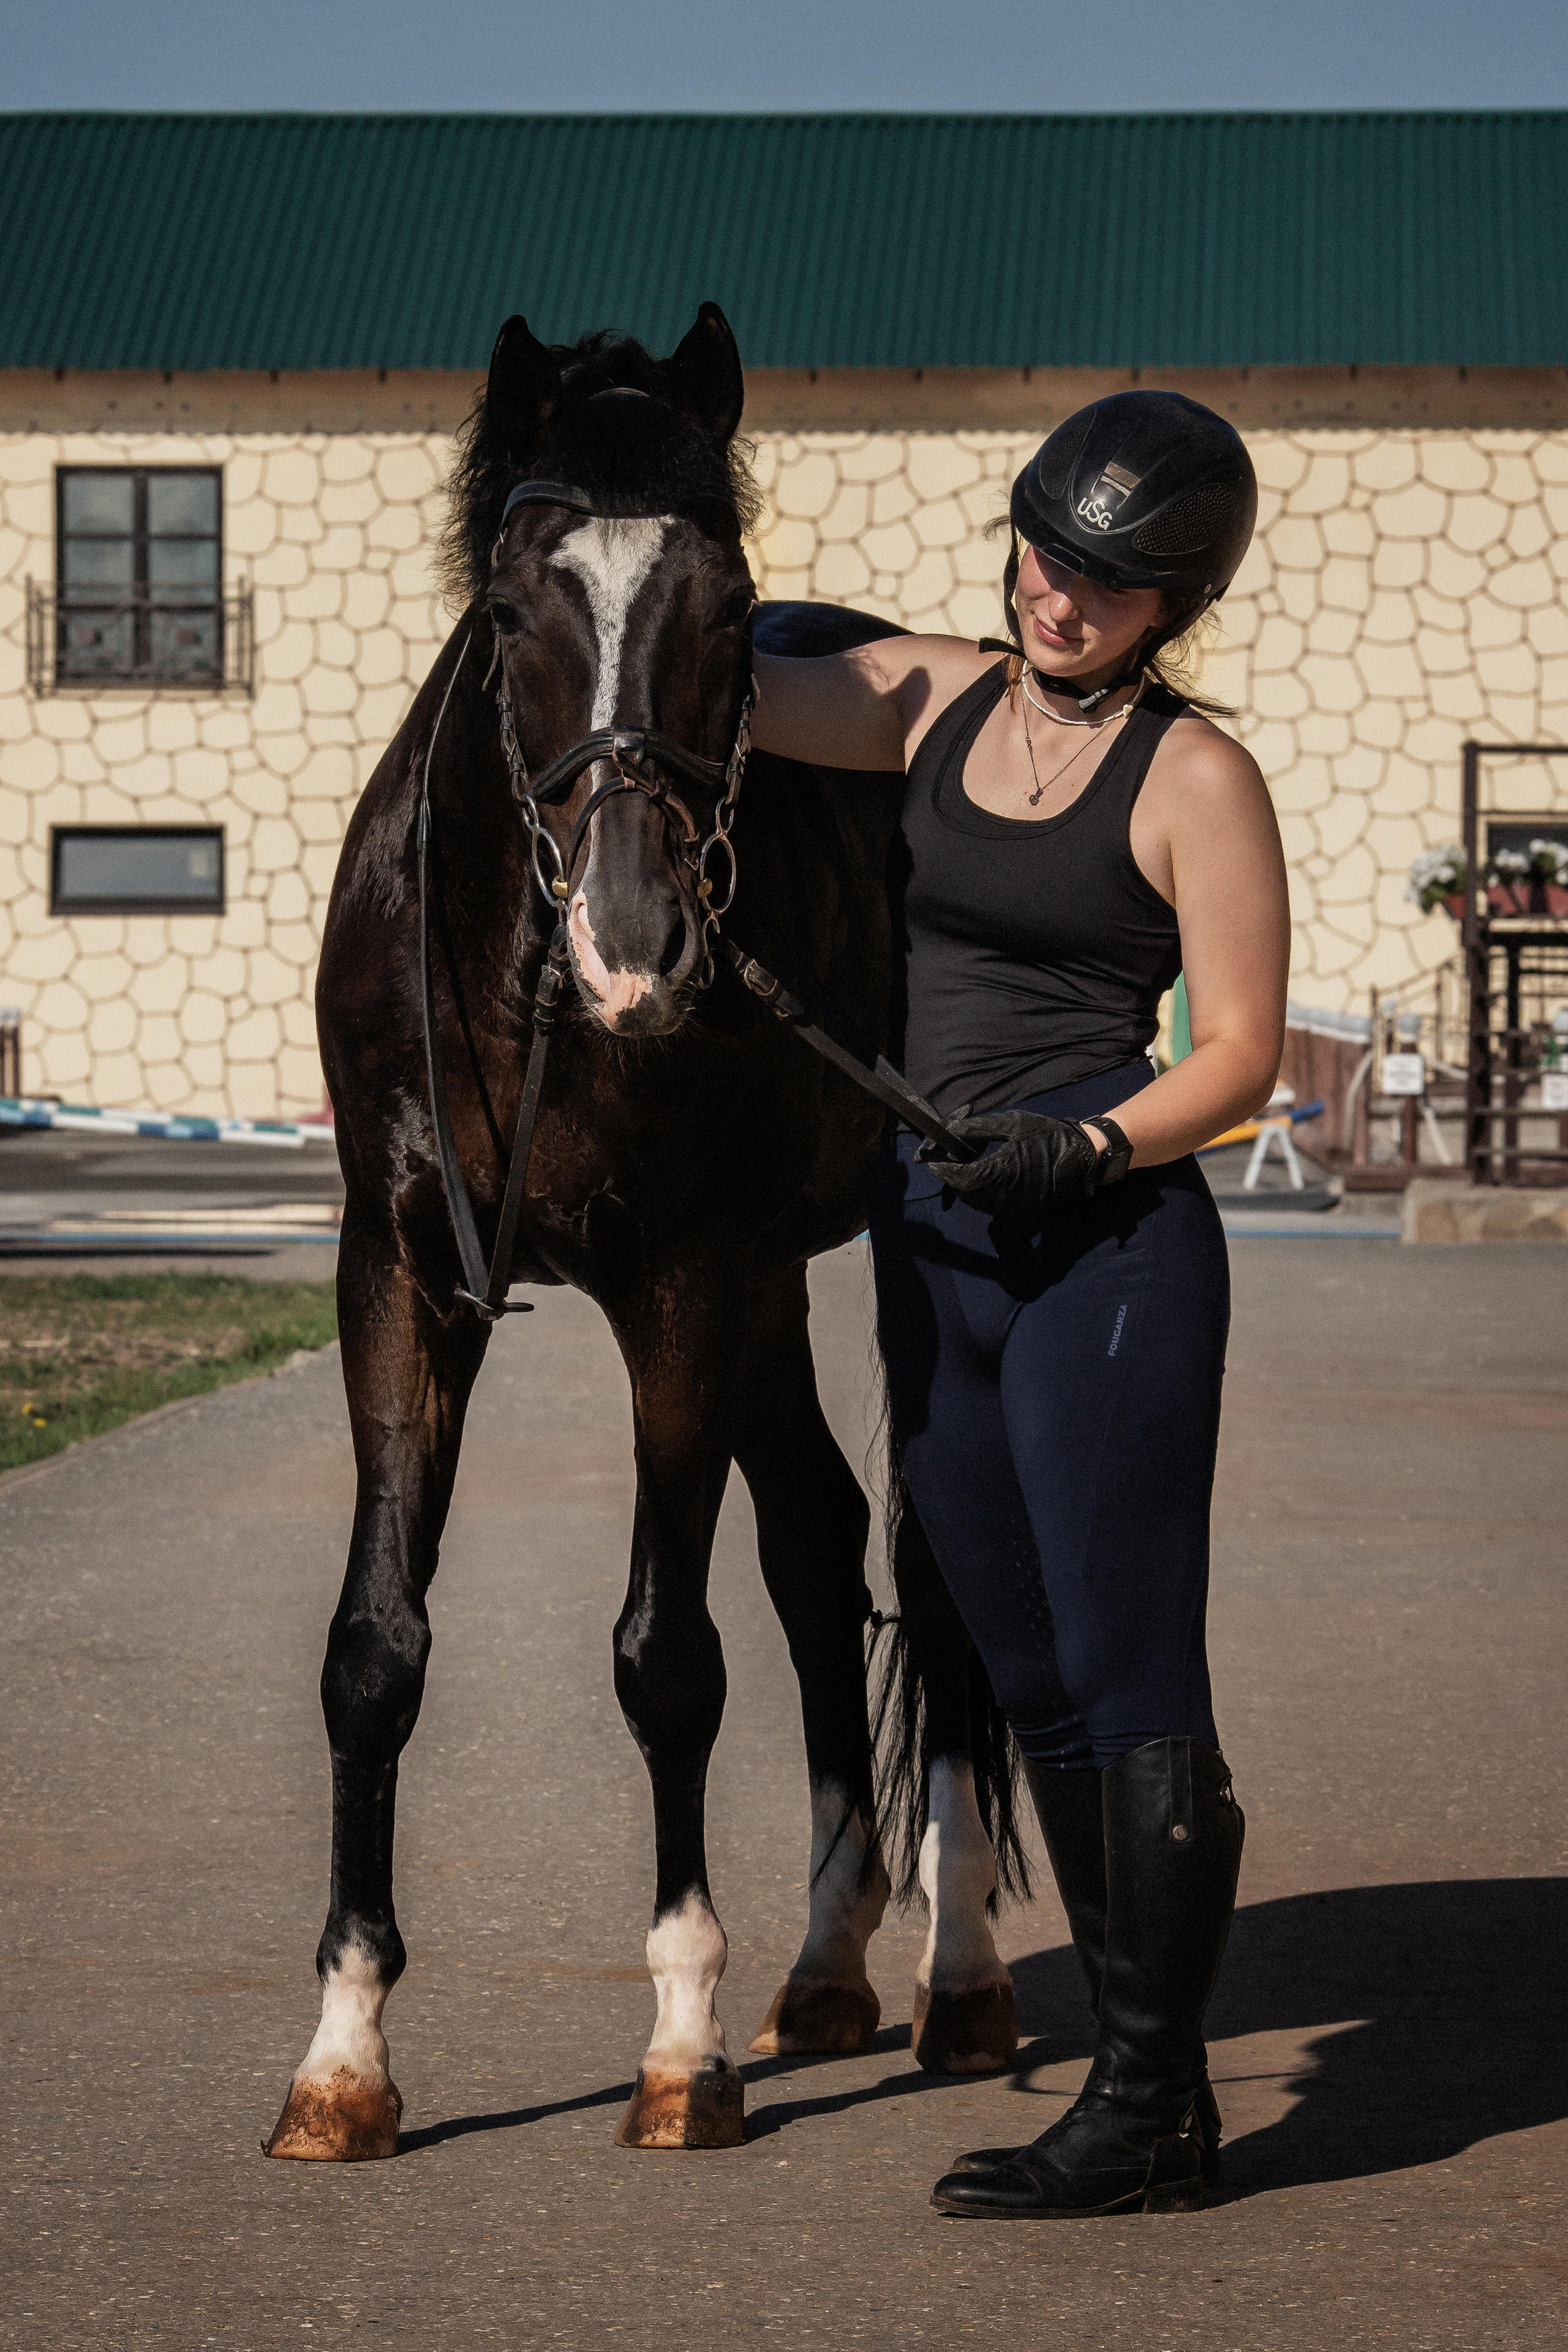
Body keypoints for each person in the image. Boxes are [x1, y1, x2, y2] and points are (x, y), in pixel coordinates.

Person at [749, 391, 1289, 2219]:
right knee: (1023, 1663)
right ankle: (1151, 2096)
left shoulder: (1194, 776)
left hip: (1105, 1253)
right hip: (934, 1246)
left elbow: (1242, 1057)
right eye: (1051, 556)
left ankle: (1153, 2099)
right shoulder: (929, 696)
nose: (1065, 601)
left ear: (1174, 602)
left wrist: (1084, 1148)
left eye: (1115, 586)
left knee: (1133, 1671)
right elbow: (706, 677)